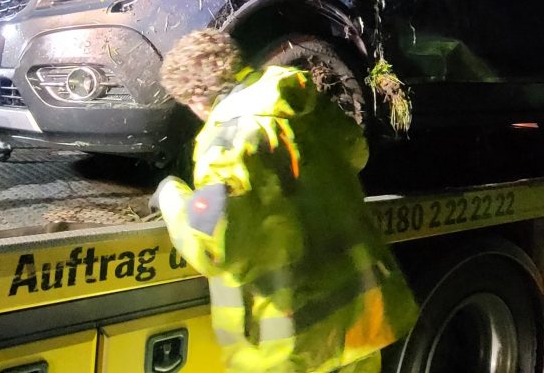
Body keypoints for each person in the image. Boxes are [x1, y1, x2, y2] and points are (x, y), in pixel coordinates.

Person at [153, 30, 418, 373]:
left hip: (291, 345)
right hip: (358, 327)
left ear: (195, 98)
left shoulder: (225, 147)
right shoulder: (303, 102)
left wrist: (171, 195)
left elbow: (214, 248)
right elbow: (356, 154)